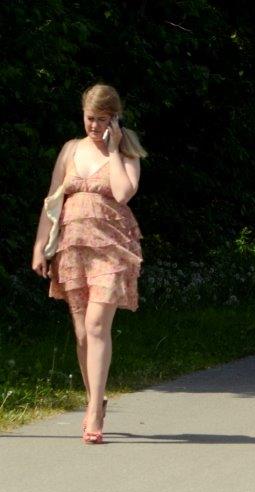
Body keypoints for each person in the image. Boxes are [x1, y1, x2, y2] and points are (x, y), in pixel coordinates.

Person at [31, 84, 146, 444]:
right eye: (90, 118)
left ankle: (94, 410)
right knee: (82, 332)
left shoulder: (126, 150)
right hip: (73, 247)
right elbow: (52, 199)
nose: (94, 126)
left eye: (102, 119)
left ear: (115, 119)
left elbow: (123, 193)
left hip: (112, 248)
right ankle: (96, 396)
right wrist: (40, 246)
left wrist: (113, 150)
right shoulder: (70, 150)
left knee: (97, 325)